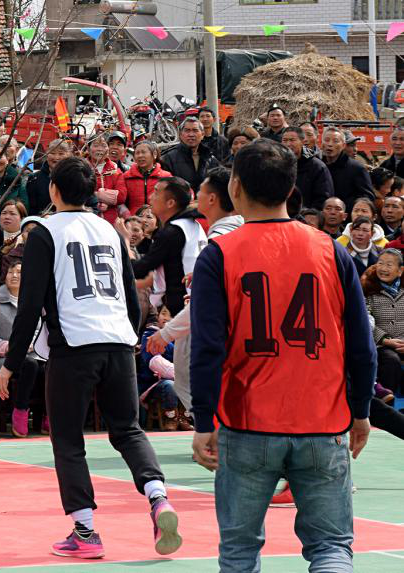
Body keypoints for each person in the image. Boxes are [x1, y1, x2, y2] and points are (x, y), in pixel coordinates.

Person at [189, 140, 376, 573]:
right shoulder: (331, 250)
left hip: (248, 420)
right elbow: (360, 342)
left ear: (235, 187)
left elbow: (207, 350)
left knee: (238, 552)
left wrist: (202, 421)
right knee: (331, 548)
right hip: (322, 418)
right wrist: (361, 410)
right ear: (293, 188)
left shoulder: (220, 254)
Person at [0, 156, 180, 560]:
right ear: (93, 191)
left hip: (74, 345)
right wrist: (130, 335)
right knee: (128, 430)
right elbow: (131, 293)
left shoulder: (45, 232)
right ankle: (158, 495)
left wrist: (10, 363)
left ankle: (85, 531)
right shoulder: (109, 229)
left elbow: (29, 305)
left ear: (53, 191)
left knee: (67, 438)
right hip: (116, 339)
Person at [145, 167, 240, 414]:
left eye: (200, 192)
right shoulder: (227, 229)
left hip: (212, 320)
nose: (195, 198)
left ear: (211, 199)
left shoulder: (218, 235)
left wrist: (166, 334)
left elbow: (206, 298)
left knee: (191, 379)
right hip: (220, 318)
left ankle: (214, 432)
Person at [0, 260, 44, 436]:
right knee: (30, 365)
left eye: (19, 272)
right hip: (4, 358)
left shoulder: (33, 300)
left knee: (46, 368)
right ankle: (20, 410)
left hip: (32, 353)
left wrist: (29, 345)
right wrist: (10, 347)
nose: (14, 275)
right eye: (11, 272)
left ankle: (48, 415)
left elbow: (39, 328)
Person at [132, 177, 205, 316]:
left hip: (186, 307)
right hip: (196, 301)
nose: (150, 197)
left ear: (170, 203)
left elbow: (141, 269)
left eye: (156, 192)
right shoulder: (192, 224)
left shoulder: (172, 232)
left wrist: (124, 245)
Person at [363, 247, 404, 398]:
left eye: (389, 264)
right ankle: (386, 405)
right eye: (380, 263)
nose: (383, 268)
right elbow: (365, 322)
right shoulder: (368, 290)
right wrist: (386, 340)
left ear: (400, 271)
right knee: (391, 361)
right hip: (381, 345)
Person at [281, 126, 334, 211]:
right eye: (285, 140)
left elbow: (323, 199)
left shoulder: (317, 167)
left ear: (302, 142)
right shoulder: (277, 165)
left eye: (292, 140)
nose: (288, 144)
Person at [322, 127, 374, 210]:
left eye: (335, 141)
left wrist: (343, 207)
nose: (330, 144)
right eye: (327, 140)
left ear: (343, 145)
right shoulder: (318, 166)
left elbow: (367, 198)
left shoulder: (357, 169)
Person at [161, 117, 216, 192]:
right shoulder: (168, 158)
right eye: (187, 131)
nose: (191, 134)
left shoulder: (209, 157)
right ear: (180, 134)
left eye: (195, 130)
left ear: (202, 134)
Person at [120, 140, 169, 217]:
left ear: (154, 154)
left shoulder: (165, 176)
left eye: (143, 152)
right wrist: (127, 215)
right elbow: (120, 201)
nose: (140, 156)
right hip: (134, 221)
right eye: (137, 153)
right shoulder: (127, 177)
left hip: (157, 220)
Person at [26, 139, 72, 216]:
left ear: (69, 155)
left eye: (61, 154)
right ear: (46, 154)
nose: (56, 157)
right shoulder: (34, 178)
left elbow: (91, 205)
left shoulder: (76, 177)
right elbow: (30, 208)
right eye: (52, 153)